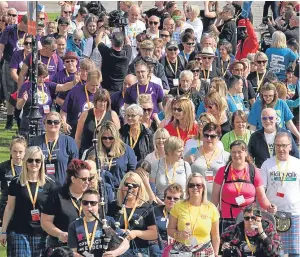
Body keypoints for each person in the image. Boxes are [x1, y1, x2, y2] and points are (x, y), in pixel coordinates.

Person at [0, 146, 57, 256]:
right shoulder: (16, 182)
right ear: (25, 161)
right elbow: (10, 207)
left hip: (41, 233)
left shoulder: (50, 184)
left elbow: (53, 211)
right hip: (18, 231)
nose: (34, 163)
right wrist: (3, 231)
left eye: (37, 160)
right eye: (30, 160)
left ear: (42, 162)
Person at [211, 140, 277, 234]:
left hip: (249, 219)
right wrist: (210, 214)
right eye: (233, 152)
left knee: (248, 247)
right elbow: (214, 197)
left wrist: (270, 207)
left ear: (245, 153)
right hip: (228, 218)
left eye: (239, 152)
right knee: (227, 247)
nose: (236, 155)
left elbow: (261, 197)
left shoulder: (253, 171)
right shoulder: (223, 171)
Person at [261, 132, 300, 257]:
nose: (281, 149)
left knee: (295, 252)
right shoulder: (267, 164)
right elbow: (261, 189)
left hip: (294, 214)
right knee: (274, 252)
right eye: (277, 145)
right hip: (273, 216)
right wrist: (267, 205)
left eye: (284, 145)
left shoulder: (297, 164)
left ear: (290, 146)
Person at [41, 159, 91, 253]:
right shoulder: (57, 195)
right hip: (61, 247)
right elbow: (45, 222)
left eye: (90, 179)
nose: (87, 182)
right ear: (73, 179)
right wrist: (60, 234)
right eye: (84, 179)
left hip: (86, 247)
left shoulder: (91, 197)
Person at [17, 62, 79, 137]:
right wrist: (23, 100)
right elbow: (18, 106)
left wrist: (73, 83)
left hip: (44, 126)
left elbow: (63, 87)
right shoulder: (26, 86)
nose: (42, 79)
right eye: (39, 76)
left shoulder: (47, 85)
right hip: (28, 126)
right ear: (34, 75)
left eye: (44, 77)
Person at [167, 173, 220, 257]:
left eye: (198, 185)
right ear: (188, 188)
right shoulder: (178, 206)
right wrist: (178, 234)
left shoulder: (211, 208)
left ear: (203, 188)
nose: (195, 188)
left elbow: (215, 235)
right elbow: (170, 229)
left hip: (204, 250)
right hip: (182, 250)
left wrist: (216, 254)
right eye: (191, 185)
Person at [107, 172, 158, 257]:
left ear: (139, 188)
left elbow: (154, 234)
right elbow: (106, 228)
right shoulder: (113, 206)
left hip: (139, 250)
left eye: (134, 185)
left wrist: (135, 233)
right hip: (116, 250)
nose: (130, 188)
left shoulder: (146, 208)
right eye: (127, 184)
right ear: (122, 186)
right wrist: (118, 232)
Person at [68, 188, 130, 256]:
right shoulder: (74, 225)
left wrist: (115, 253)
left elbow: (125, 242)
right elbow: (72, 252)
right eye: (85, 202)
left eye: (93, 203)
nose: (88, 206)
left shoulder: (108, 221)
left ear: (99, 205)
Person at [30, 111, 79, 186]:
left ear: (60, 124)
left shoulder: (68, 141)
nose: (53, 124)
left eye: (56, 122)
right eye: (49, 122)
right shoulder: (35, 141)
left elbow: (75, 167)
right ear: (44, 123)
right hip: (40, 187)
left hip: (62, 187)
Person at [185, 123, 230, 200]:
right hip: (195, 198)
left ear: (218, 137)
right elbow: (182, 167)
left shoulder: (226, 155)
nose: (208, 138)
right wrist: (186, 161)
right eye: (206, 135)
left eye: (212, 136)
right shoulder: (193, 150)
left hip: (218, 199)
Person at [0, 14, 27, 130]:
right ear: (23, 23)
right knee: (11, 94)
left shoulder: (30, 33)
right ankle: (9, 121)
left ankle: (20, 120)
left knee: (21, 93)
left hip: (24, 63)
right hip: (10, 62)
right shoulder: (10, 30)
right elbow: (2, 47)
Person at [75, 89, 120, 154]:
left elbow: (117, 137)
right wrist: (76, 154)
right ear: (95, 101)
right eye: (100, 101)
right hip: (87, 151)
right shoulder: (86, 114)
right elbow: (78, 137)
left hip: (106, 153)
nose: (102, 104)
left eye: (105, 101)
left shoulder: (112, 115)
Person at [61, 69, 102, 138]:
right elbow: (63, 111)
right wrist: (64, 123)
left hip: (94, 133)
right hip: (75, 131)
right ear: (87, 81)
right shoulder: (75, 91)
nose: (95, 88)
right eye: (92, 85)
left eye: (97, 85)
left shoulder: (101, 93)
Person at [96, 121, 137, 190]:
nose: (107, 140)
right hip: (101, 189)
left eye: (111, 138)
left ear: (116, 137)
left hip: (121, 189)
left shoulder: (126, 150)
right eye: (104, 138)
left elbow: (132, 172)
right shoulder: (95, 150)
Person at [150, 136, 191, 204]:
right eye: (179, 151)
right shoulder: (156, 164)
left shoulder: (185, 165)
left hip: (181, 205)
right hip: (160, 204)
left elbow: (189, 189)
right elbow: (151, 189)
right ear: (169, 151)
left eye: (182, 151)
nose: (182, 154)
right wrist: (161, 204)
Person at [150, 183, 184, 257]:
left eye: (176, 199)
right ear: (164, 199)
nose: (172, 200)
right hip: (158, 247)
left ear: (181, 201)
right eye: (169, 198)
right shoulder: (154, 211)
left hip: (178, 247)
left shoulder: (186, 214)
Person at [0, 136, 27, 222]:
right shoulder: (3, 167)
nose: (17, 155)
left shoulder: (29, 166)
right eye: (14, 151)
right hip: (6, 205)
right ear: (10, 151)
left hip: (24, 205)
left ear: (25, 152)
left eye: (20, 152)